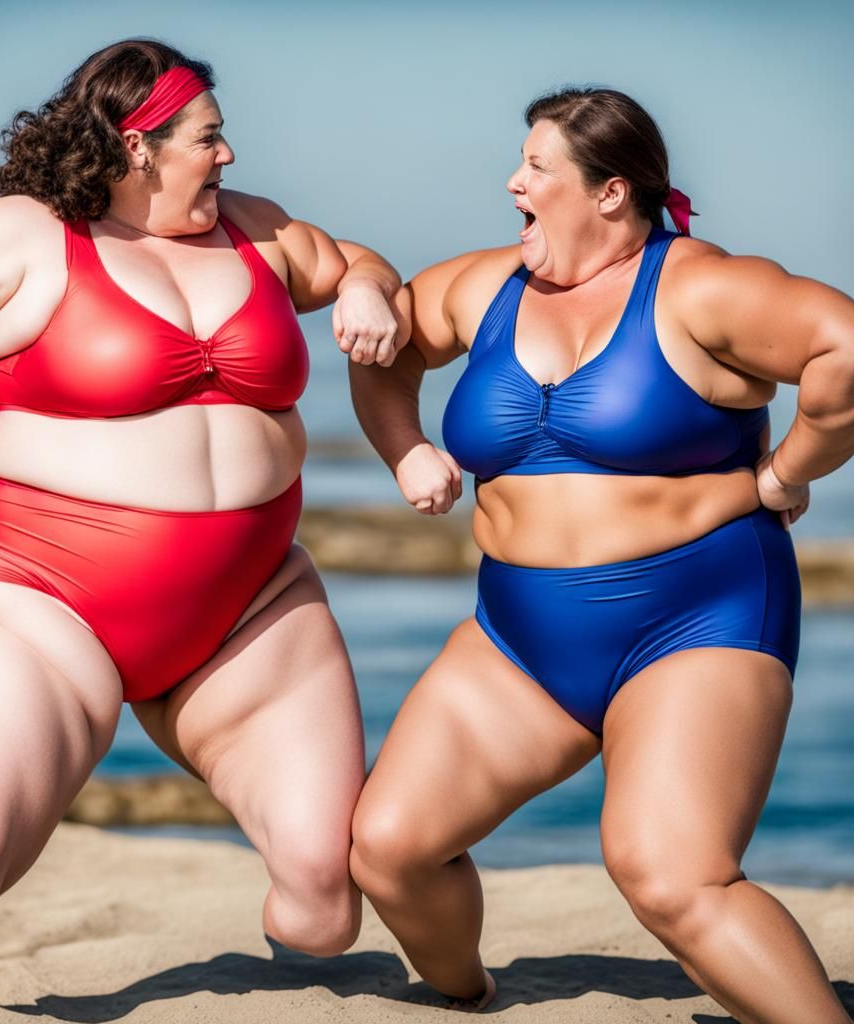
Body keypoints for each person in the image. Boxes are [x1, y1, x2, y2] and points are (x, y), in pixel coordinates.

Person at [0, 38, 401, 1021]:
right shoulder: (29, 233)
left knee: (323, 904)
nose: (228, 158)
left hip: (246, 603)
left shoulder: (256, 232)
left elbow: (352, 260)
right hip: (38, 596)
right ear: (138, 145)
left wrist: (358, 289)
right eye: (208, 139)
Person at [348, 87, 854, 1020]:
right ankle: (471, 999)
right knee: (390, 847)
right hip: (519, 637)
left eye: (537, 168)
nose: (515, 181)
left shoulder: (698, 286)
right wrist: (406, 447)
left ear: (611, 192)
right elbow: (385, 348)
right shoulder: (485, 286)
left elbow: (845, 351)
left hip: (696, 619)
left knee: (670, 877)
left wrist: (788, 470)